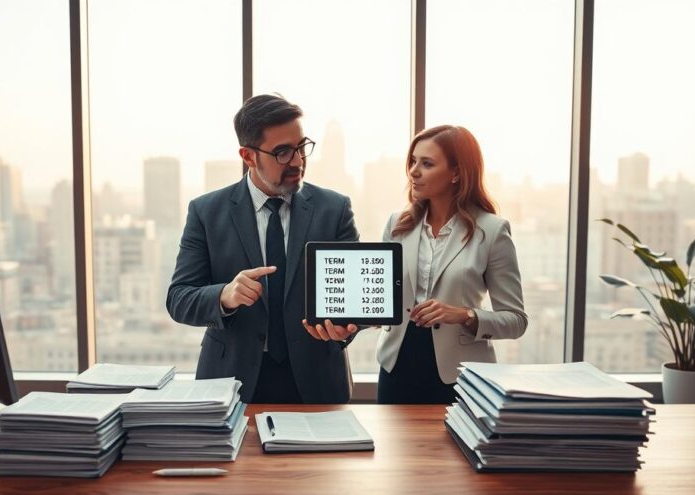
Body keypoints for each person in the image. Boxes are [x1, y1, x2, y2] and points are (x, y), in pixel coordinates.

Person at [304, 125, 527, 403]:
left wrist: (462, 315)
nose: (413, 171)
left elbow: (516, 321)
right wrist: (347, 325)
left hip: (460, 375)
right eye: (412, 161)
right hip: (397, 366)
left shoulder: (492, 231)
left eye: (427, 163)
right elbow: (382, 301)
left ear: (457, 173)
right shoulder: (397, 225)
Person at [166, 94, 359, 404]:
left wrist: (345, 328)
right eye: (283, 152)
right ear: (248, 156)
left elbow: (354, 300)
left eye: (301, 147)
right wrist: (225, 295)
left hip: (316, 380)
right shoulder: (206, 212)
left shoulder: (334, 209)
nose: (297, 161)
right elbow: (179, 299)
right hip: (231, 381)